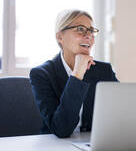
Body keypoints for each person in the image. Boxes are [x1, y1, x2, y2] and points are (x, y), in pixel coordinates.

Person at [30, 9, 118, 138]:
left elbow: (123, 113)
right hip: (54, 148)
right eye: (80, 29)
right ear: (60, 37)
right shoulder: (41, 74)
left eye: (91, 31)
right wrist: (77, 75)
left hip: (94, 143)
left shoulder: (104, 71)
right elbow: (61, 129)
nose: (88, 35)